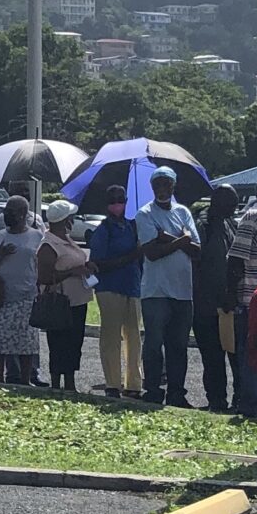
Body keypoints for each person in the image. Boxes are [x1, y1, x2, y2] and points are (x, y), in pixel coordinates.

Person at [134, 167, 200, 407]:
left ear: (173, 186)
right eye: (158, 184)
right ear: (152, 187)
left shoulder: (183, 212)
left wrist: (167, 238)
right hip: (156, 291)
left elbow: (196, 250)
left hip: (183, 290)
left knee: (179, 345)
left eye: (167, 184)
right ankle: (153, 390)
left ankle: (177, 393)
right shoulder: (145, 214)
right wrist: (181, 241)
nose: (163, 189)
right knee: (153, 343)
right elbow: (151, 253)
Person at [0, 195, 47, 384]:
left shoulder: (37, 236)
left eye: (12, 212)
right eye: (6, 211)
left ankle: (25, 381)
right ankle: (1, 379)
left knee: (26, 342)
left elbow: (41, 264)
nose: (7, 215)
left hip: (27, 297)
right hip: (1, 297)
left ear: (24, 214)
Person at [85, 185, 144, 397]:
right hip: (109, 287)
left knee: (134, 337)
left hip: (132, 286)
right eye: (113, 200)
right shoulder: (102, 230)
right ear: (106, 204)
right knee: (111, 337)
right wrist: (131, 255)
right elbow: (98, 263)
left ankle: (133, 384)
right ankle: (112, 384)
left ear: (127, 201)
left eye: (120, 199)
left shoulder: (133, 226)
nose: (117, 203)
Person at [192, 184, 243, 412]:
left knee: (235, 355)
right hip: (205, 305)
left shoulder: (229, 223)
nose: (234, 209)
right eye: (231, 205)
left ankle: (239, 399)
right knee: (212, 357)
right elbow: (198, 263)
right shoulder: (201, 225)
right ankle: (216, 400)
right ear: (217, 202)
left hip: (229, 303)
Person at [36, 199, 96, 391]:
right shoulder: (48, 245)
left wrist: (86, 267)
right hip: (60, 303)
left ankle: (70, 383)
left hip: (78, 300)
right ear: (64, 220)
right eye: (71, 217)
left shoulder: (67, 240)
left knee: (74, 343)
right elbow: (44, 277)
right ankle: (56, 384)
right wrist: (71, 272)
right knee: (59, 343)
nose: (74, 220)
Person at [226, 180, 257, 418]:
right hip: (251, 300)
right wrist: (232, 296)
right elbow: (235, 259)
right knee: (251, 353)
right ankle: (252, 406)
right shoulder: (254, 215)